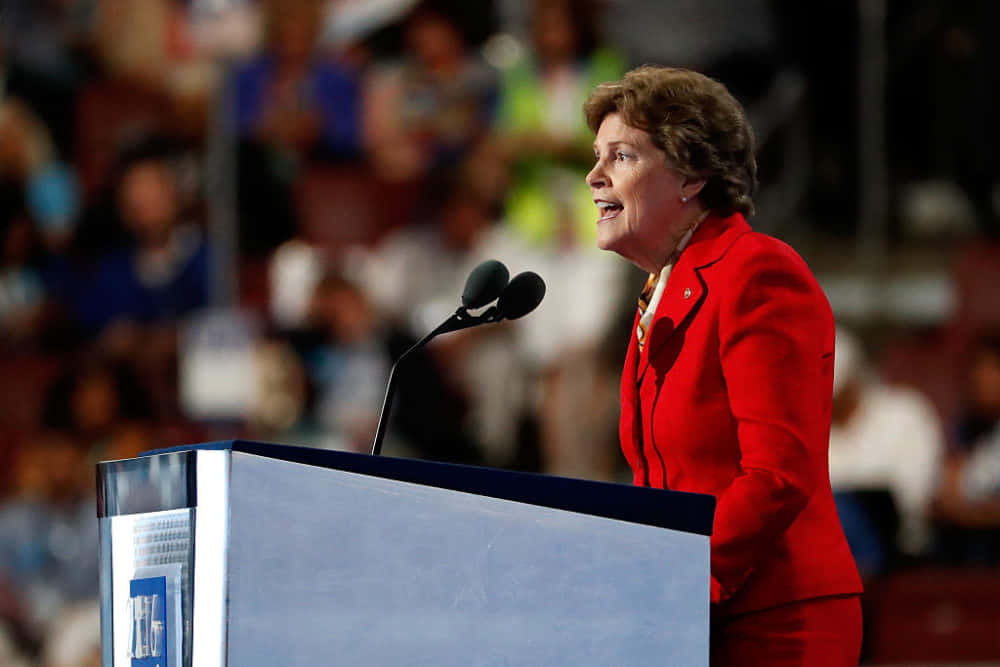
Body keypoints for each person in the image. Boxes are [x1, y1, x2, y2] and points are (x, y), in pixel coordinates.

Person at [583, 66, 862, 665]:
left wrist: (678, 574)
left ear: (692, 175)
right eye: (597, 156)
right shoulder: (660, 292)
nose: (594, 175)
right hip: (691, 616)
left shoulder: (757, 273)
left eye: (622, 156)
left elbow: (778, 474)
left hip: (776, 620)